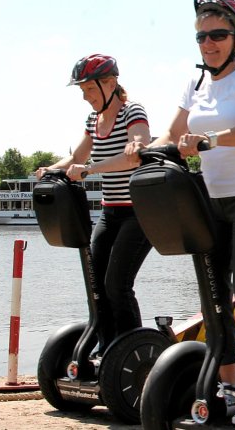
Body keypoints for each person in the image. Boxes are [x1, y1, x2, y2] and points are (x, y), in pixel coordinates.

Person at [127, 0, 235, 419]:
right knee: (214, 297)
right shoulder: (194, 86)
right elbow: (171, 135)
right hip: (209, 202)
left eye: (216, 34)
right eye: (201, 37)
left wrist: (206, 142)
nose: (207, 43)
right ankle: (231, 391)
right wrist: (145, 147)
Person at [36, 54, 153, 352]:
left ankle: (132, 353)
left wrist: (91, 169)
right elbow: (76, 158)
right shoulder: (92, 120)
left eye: (89, 89)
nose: (86, 97)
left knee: (117, 286)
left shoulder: (132, 113)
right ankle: (107, 349)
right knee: (97, 286)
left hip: (139, 214)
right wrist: (51, 170)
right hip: (110, 214)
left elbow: (137, 151)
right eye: (83, 91)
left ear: (110, 83)